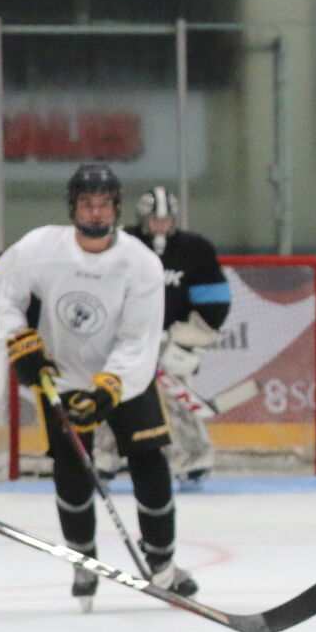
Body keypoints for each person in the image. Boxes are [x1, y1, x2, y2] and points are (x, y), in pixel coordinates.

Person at [0, 164, 195, 612]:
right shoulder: (40, 247)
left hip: (126, 380)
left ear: (117, 209)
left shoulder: (140, 261)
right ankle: (83, 561)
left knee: (150, 461)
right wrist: (19, 340)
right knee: (70, 468)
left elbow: (139, 337)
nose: (96, 211)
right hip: (60, 376)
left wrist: (110, 387)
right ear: (73, 207)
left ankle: (162, 566)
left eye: (104, 203)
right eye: (87, 203)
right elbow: (2, 294)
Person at [130, 185, 231, 487]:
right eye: (155, 220)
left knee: (178, 399)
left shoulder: (194, 249)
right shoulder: (124, 245)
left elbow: (216, 302)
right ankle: (107, 458)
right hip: (130, 338)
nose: (161, 226)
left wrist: (189, 338)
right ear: (142, 219)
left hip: (172, 338)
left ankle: (193, 460)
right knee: (116, 398)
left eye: (166, 219)